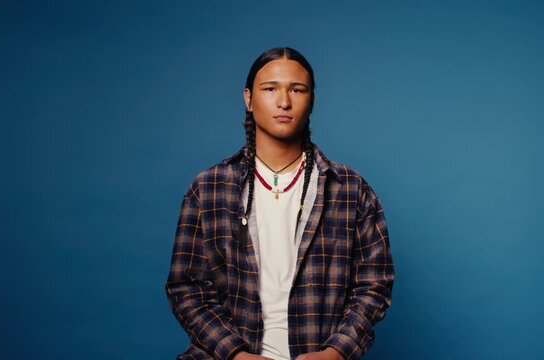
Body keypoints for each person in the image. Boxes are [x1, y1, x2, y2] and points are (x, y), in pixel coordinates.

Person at [165, 47, 394, 360]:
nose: (284, 101)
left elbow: (374, 284)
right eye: (270, 88)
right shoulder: (208, 188)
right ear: (248, 98)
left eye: (296, 89)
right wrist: (235, 354)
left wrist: (336, 352)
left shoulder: (350, 189)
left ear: (311, 99)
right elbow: (186, 288)